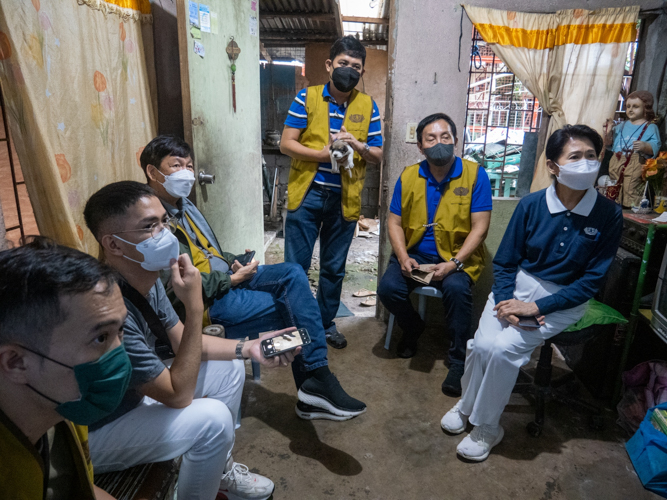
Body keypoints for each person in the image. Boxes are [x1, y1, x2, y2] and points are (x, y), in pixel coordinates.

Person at [83, 181, 299, 500]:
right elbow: (178, 395)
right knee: (212, 421)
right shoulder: (110, 311)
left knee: (230, 369)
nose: (165, 234)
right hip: (93, 436)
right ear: (113, 245)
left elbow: (184, 341)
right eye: (149, 226)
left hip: (130, 398)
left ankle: (219, 474)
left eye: (163, 221)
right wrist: (194, 305)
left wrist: (248, 348)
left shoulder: (146, 277)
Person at [140, 135, 366, 421]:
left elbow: (205, 253)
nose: (186, 173)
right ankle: (315, 381)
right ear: (152, 171)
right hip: (207, 301)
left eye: (189, 166)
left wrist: (234, 260)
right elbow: (172, 288)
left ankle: (315, 382)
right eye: (176, 166)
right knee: (297, 307)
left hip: (223, 279)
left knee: (293, 272)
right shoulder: (151, 219)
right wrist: (231, 281)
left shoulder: (184, 206)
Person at [441, 125, 623, 462]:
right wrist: (509, 303)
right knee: (482, 343)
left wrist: (537, 306)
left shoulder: (608, 214)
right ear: (554, 166)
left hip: (564, 298)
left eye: (591, 156)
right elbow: (507, 261)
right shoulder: (532, 205)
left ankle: (487, 427)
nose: (585, 163)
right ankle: (466, 406)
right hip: (516, 288)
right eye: (575, 156)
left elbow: (590, 281)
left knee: (504, 349)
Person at [0, 237, 129, 500]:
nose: (120, 356)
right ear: (15, 362)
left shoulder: (63, 409)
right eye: (101, 338)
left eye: (121, 331)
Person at [377, 113, 492, 396]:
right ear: (420, 146)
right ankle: (414, 327)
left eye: (445, 137)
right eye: (431, 138)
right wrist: (403, 257)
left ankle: (457, 361)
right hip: (415, 256)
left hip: (456, 260)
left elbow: (480, 228)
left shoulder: (475, 174)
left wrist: (453, 264)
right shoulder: (409, 176)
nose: (438, 143)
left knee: (456, 292)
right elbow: (393, 221)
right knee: (388, 289)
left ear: (455, 140)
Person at [280, 35, 383, 349]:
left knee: (334, 268)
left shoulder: (368, 106)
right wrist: (324, 155)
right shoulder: (307, 98)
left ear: (362, 72)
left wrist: (359, 145)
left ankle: (324, 324)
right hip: (307, 194)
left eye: (355, 67)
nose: (348, 71)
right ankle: (293, 328)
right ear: (329, 65)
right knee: (295, 267)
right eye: (342, 64)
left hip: (344, 198)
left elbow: (377, 154)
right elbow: (287, 144)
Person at [603, 90, 661, 207]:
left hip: (635, 160)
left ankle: (630, 208)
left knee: (631, 186)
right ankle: (615, 205)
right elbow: (609, 143)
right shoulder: (621, 126)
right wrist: (608, 133)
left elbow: (656, 145)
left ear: (646, 108)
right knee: (614, 183)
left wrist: (645, 146)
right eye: (628, 106)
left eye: (635, 106)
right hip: (617, 158)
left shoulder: (650, 127)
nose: (630, 109)